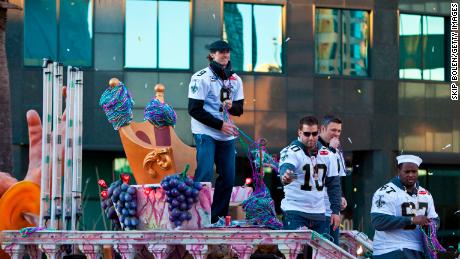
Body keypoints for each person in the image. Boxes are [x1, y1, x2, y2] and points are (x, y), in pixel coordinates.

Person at [187, 40, 244, 223]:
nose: (225, 55)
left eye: (227, 52)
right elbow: (194, 109)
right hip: (205, 131)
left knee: (228, 177)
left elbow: (239, 109)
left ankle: (216, 219)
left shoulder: (235, 79)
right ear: (212, 54)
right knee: (205, 173)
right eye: (221, 52)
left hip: (225, 133)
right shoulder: (201, 77)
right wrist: (220, 125)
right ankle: (197, 217)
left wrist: (231, 106)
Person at [279, 115, 341, 234]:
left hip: (319, 213)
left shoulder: (328, 154)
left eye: (314, 134)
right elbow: (287, 167)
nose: (311, 138)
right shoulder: (291, 151)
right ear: (300, 132)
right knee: (295, 251)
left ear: (318, 132)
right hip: (295, 212)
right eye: (307, 134)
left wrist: (335, 211)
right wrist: (286, 176)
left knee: (322, 252)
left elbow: (334, 184)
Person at [371, 155, 439, 258]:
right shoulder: (385, 192)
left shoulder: (426, 194)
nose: (411, 175)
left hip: (418, 249)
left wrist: (431, 225)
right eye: (407, 172)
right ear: (398, 171)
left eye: (414, 171)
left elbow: (435, 219)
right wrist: (412, 220)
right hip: (390, 249)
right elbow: (378, 221)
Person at [318, 115, 348, 245]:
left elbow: (336, 179)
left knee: (332, 247)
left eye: (339, 131)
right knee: (322, 248)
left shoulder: (337, 151)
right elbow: (319, 172)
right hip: (317, 209)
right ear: (322, 129)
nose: (336, 134)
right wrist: (331, 150)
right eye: (333, 130)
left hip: (332, 209)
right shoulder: (314, 146)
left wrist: (340, 197)